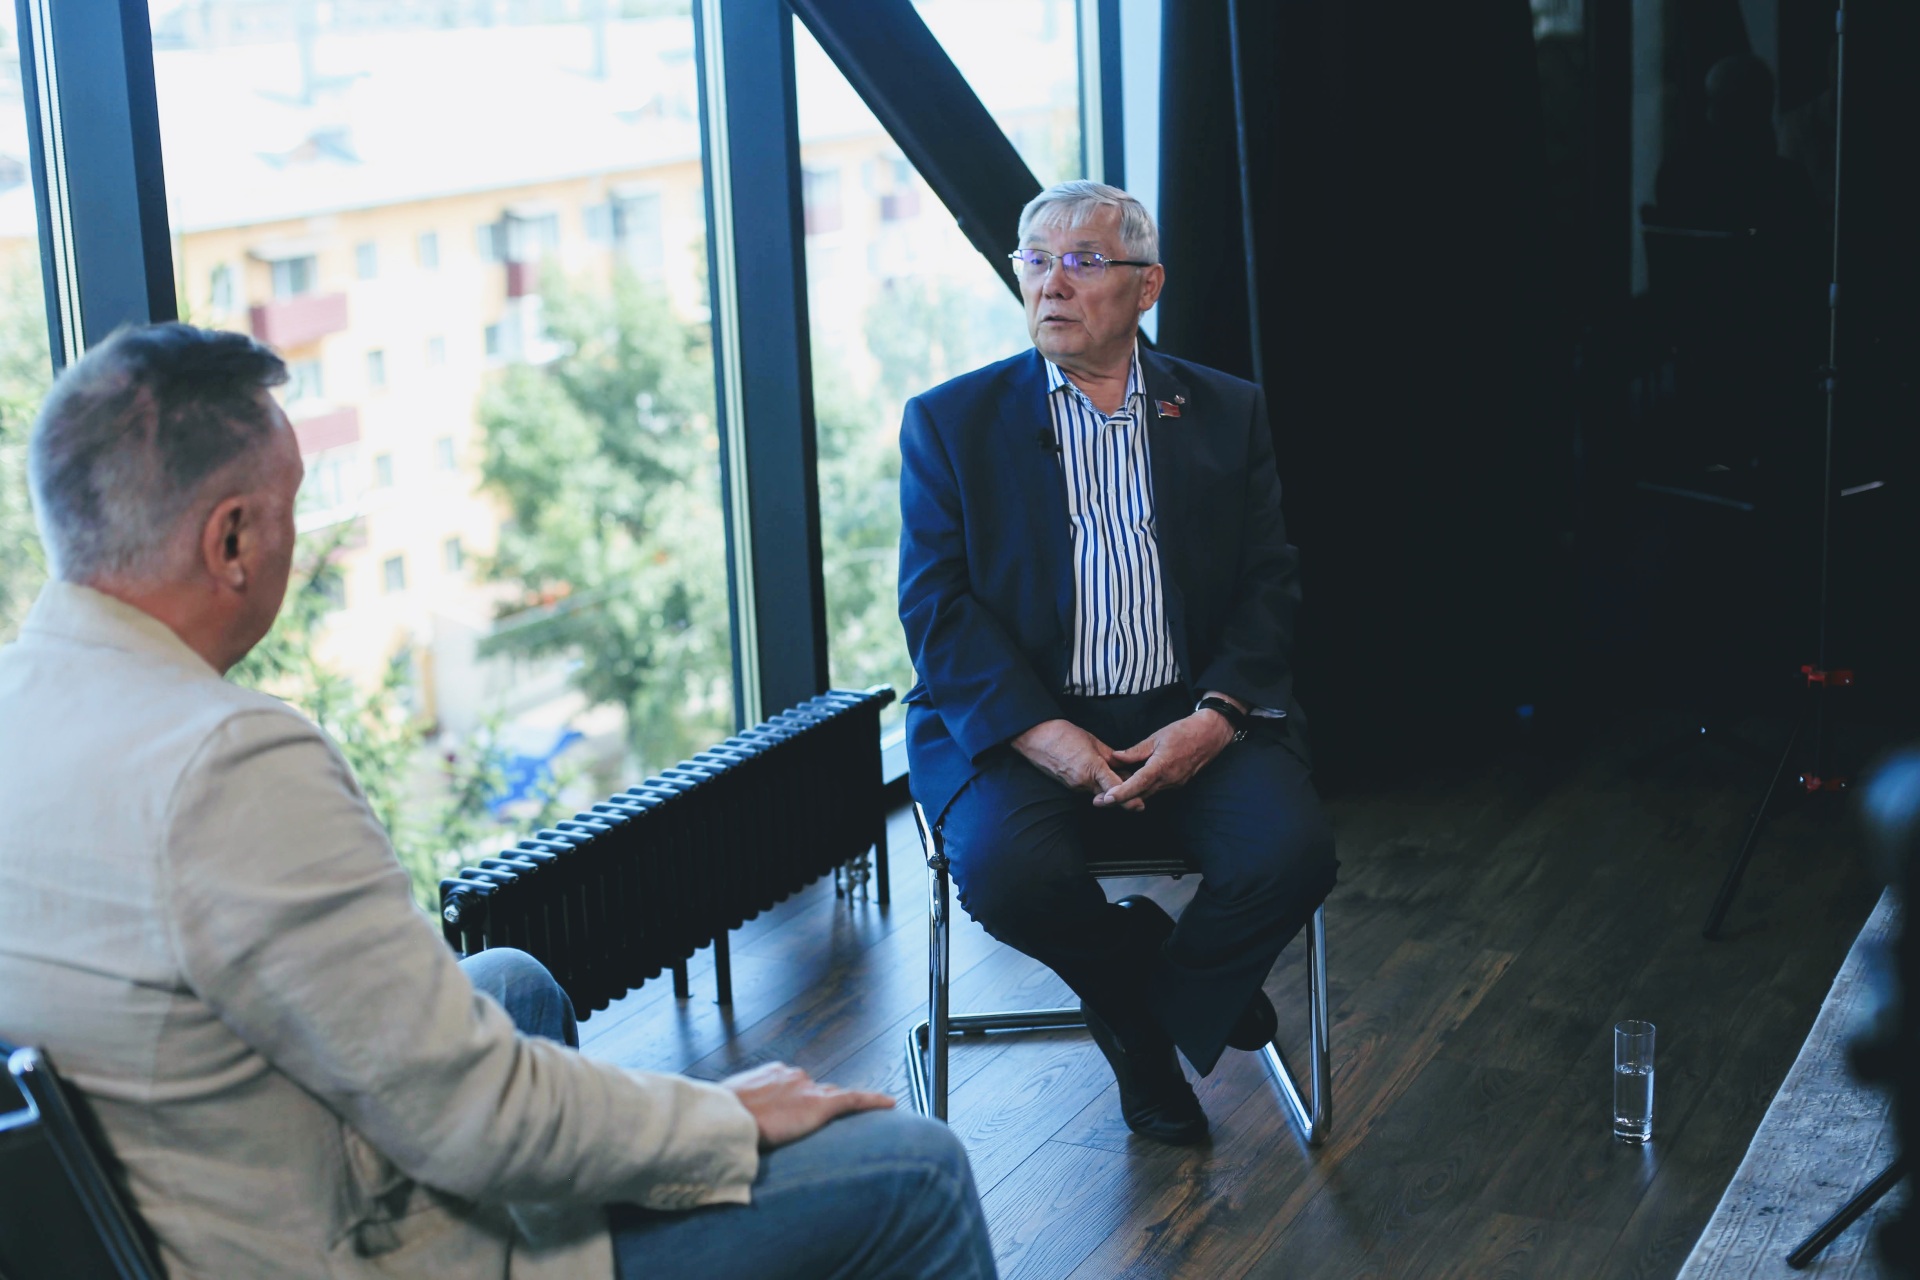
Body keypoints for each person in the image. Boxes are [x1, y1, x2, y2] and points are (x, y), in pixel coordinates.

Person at [0, 323, 997, 1280]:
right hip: (330, 1250)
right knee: (915, 1170)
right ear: (231, 538)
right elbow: (473, 1117)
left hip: (194, 1174)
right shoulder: (226, 762)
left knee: (509, 979)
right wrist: (723, 1117)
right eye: (292, 507)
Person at [897, 181, 1338, 1146]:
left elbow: (1269, 580)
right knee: (1007, 875)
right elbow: (936, 606)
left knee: (1293, 855)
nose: (1051, 283)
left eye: (1084, 261)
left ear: (1148, 286)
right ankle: (1146, 1010)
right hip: (1020, 720)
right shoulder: (950, 422)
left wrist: (1217, 718)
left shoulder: (1224, 410)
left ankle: (1150, 1008)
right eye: (1035, 259)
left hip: (1189, 707)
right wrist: (1038, 731)